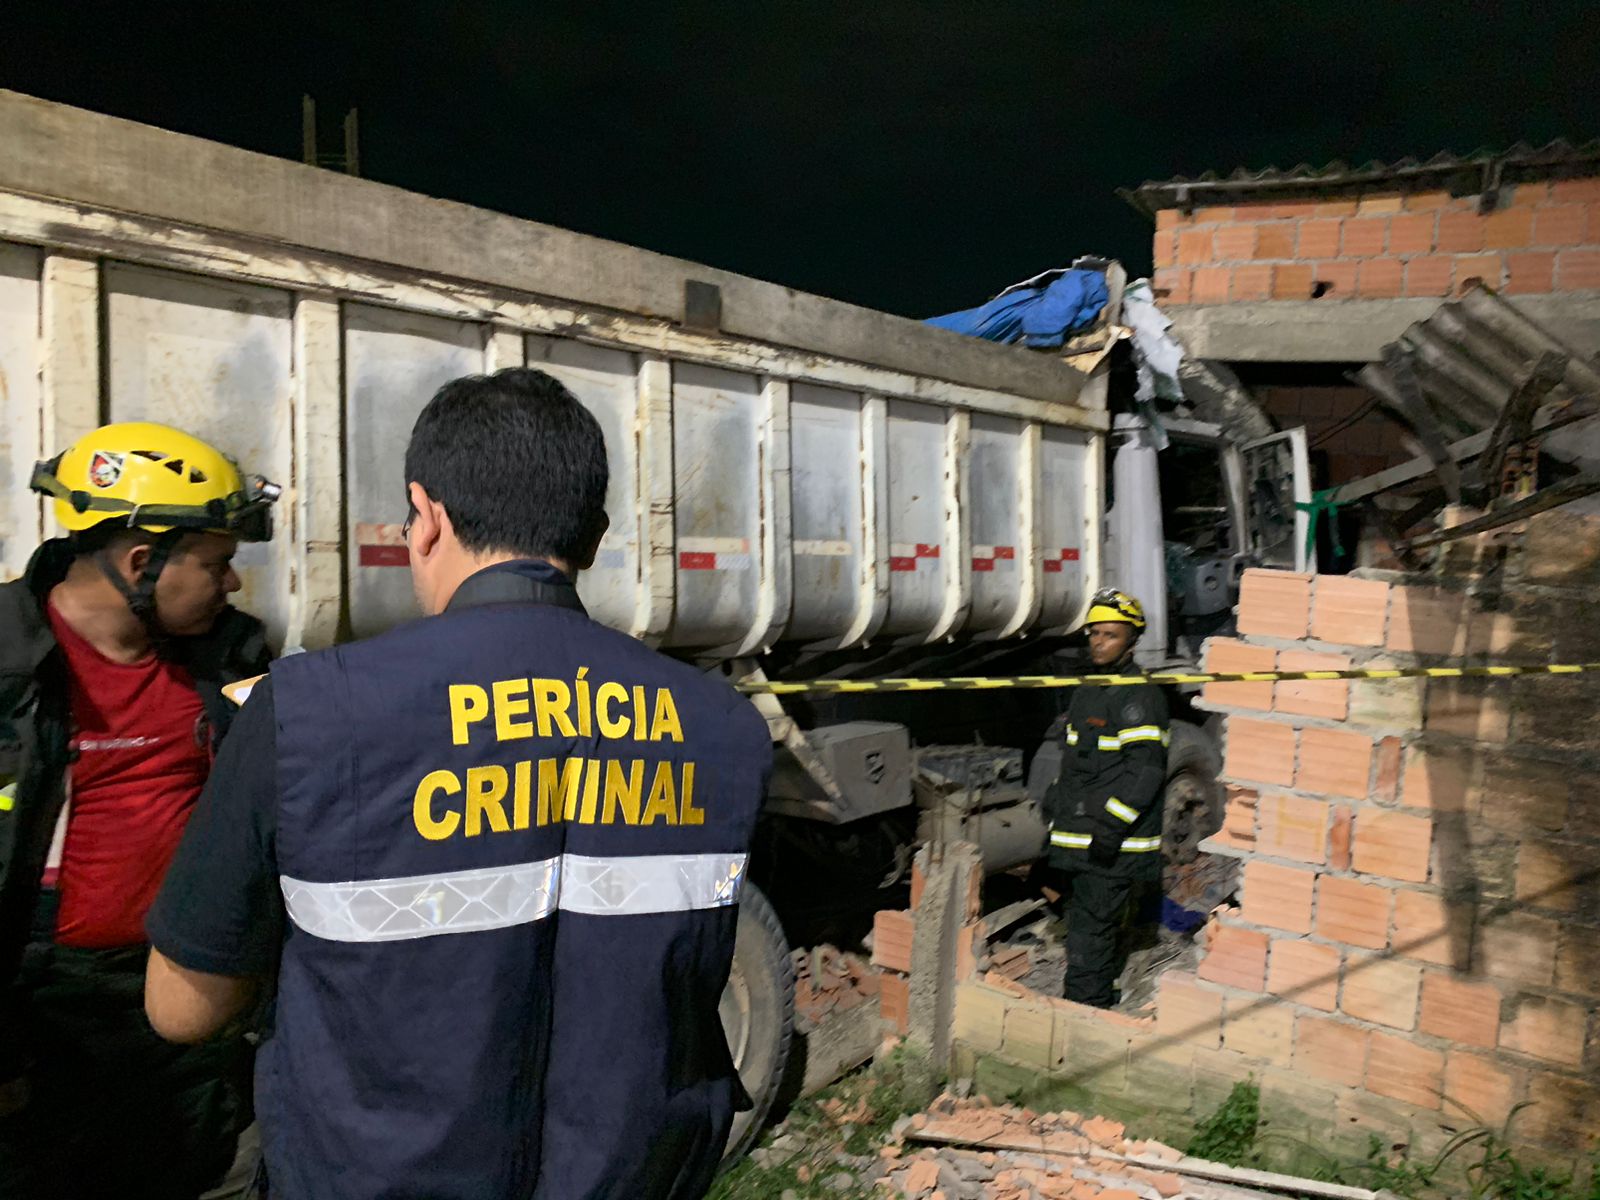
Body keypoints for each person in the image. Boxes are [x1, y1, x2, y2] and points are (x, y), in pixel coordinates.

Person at [143, 367, 774, 1200]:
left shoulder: (305, 711)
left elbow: (181, 1010)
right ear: (592, 536)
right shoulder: (721, 725)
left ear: (428, 515)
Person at [0, 422, 279, 1198]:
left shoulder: (229, 661)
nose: (231, 586)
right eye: (218, 564)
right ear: (139, 562)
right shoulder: (9, 667)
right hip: (40, 1016)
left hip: (185, 996)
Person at [1043, 588, 1168, 1007]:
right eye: (1094, 634)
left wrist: (1113, 827)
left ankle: (1083, 1014)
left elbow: (1146, 771)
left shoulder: (1138, 695)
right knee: (1084, 927)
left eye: (1110, 635)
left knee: (1089, 934)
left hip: (1111, 846)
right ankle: (1094, 997)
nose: (1099, 642)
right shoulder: (1090, 691)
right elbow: (1079, 766)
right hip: (1080, 841)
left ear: (1131, 640)